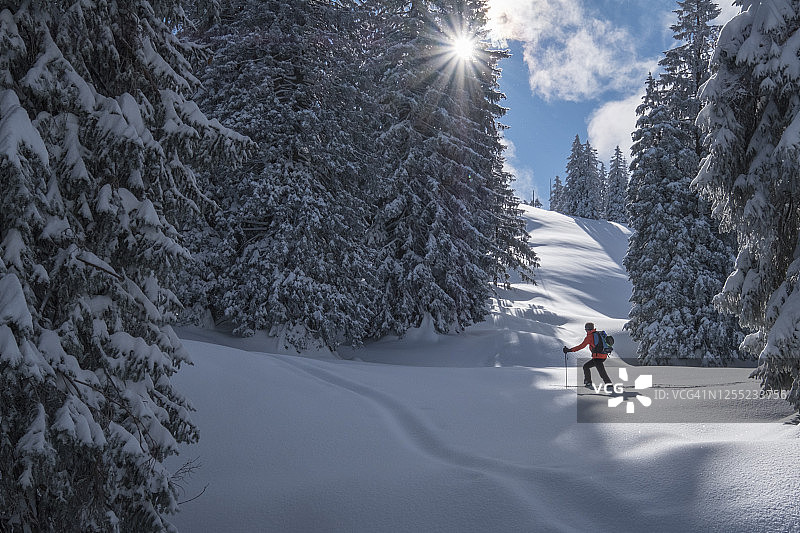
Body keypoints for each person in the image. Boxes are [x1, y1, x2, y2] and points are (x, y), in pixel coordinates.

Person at [563, 322, 612, 391]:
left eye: (586, 329)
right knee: (586, 366)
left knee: (601, 371)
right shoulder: (598, 333)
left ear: (587, 329)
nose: (585, 330)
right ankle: (589, 382)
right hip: (603, 355)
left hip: (598, 357)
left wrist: (569, 350)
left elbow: (581, 346)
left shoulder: (590, 337)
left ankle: (608, 385)